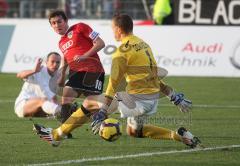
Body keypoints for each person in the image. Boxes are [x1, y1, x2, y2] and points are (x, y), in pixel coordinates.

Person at [33, 14, 201, 148]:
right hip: (151, 100)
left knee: (90, 102)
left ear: (119, 29)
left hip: (137, 100)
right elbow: (153, 73)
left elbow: (113, 85)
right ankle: (180, 136)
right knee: (134, 131)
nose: (112, 32)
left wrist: (103, 111)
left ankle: (56, 135)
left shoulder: (121, 53)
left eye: (113, 28)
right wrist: (172, 95)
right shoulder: (143, 44)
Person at [47, 10, 105, 127]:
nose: (57, 25)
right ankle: (64, 131)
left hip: (93, 71)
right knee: (66, 98)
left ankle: (107, 126)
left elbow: (100, 43)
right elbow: (67, 58)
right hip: (77, 73)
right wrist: (62, 75)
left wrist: (85, 56)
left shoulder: (80, 27)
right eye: (53, 23)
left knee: (94, 108)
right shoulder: (61, 42)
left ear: (66, 21)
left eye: (59, 21)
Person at [14, 52, 61, 118]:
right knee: (42, 101)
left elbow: (54, 98)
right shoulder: (39, 71)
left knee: (59, 106)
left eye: (58, 62)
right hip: (23, 105)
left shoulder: (57, 77)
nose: (55, 64)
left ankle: (60, 113)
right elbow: (19, 74)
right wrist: (34, 71)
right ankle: (60, 112)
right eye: (52, 62)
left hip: (40, 108)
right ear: (46, 62)